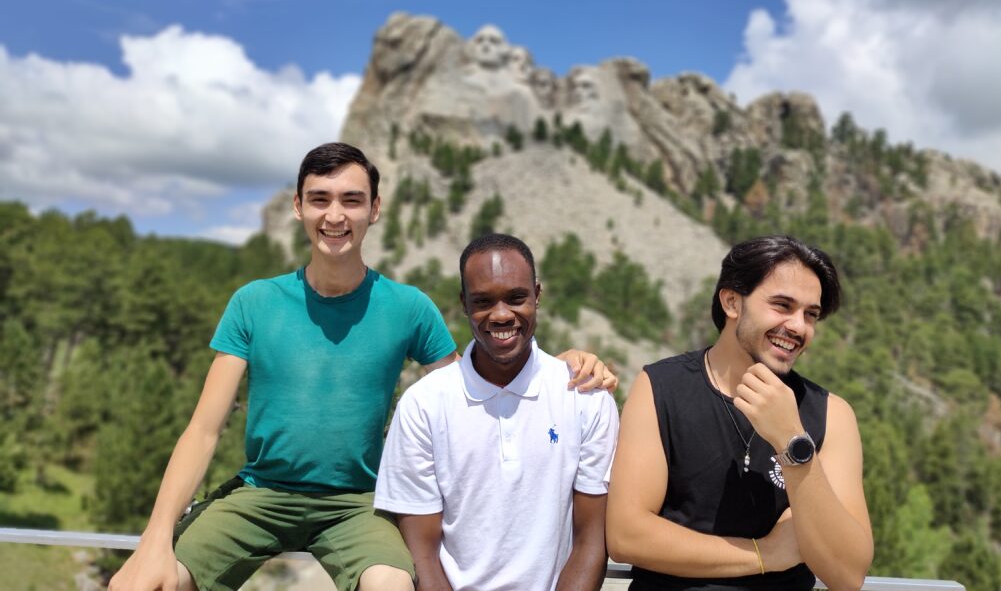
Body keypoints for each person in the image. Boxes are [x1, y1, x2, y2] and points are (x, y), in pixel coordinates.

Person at [110, 143, 615, 591]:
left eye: (352, 200)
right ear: (298, 207)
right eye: (320, 199)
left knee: (392, 585)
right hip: (260, 495)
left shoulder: (408, 307)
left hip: (360, 504)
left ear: (375, 209)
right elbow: (202, 431)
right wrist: (154, 540)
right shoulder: (254, 302)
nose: (335, 215)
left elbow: (472, 381)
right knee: (151, 583)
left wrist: (561, 363)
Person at [606, 235, 873, 591]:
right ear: (732, 302)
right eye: (782, 305)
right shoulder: (660, 387)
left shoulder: (831, 414)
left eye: (811, 314)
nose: (798, 327)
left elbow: (848, 573)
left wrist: (792, 443)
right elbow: (627, 536)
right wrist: (764, 554)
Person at [374, 233, 619, 591]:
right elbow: (421, 552)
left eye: (516, 298)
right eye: (483, 301)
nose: (501, 314)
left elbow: (591, 541)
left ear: (537, 295)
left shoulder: (586, 397)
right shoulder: (423, 404)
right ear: (463, 303)